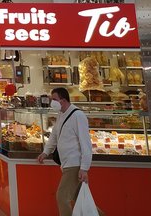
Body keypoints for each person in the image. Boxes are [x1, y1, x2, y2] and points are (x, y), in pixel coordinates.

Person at [37, 87, 102, 216]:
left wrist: (84, 168)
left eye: (54, 99)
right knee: (81, 199)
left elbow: (85, 143)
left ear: (63, 100)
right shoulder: (61, 114)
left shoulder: (78, 115)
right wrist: (45, 152)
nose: (52, 102)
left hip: (74, 164)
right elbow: (54, 135)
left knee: (62, 197)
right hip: (66, 164)